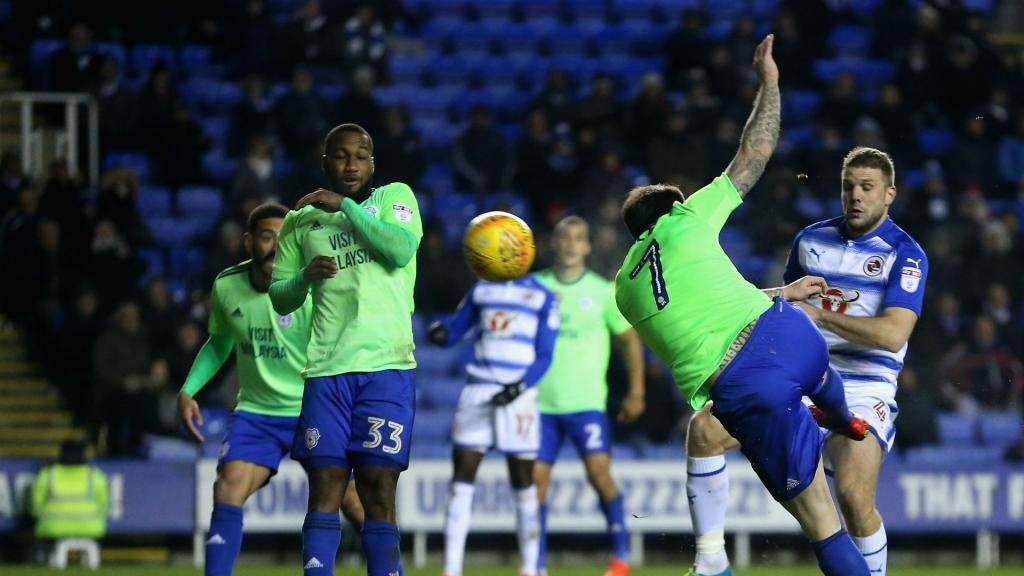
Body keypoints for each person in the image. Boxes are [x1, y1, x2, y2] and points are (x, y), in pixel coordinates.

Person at [613, 35, 870, 576]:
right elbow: (755, 151)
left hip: (750, 382)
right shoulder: (687, 217)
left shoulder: (624, 289)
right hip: (788, 334)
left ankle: (711, 562)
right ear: (673, 207)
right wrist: (770, 83)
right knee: (705, 431)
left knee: (822, 521)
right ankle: (844, 416)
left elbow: (697, 314)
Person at [682, 146, 929, 576]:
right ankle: (710, 560)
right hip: (798, 373)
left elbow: (893, 334)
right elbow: (780, 314)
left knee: (854, 497)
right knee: (704, 429)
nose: (855, 195)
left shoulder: (905, 254)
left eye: (867, 188)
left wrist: (819, 315)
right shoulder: (810, 240)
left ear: (890, 194)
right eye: (848, 186)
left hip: (863, 385)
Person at [177, 203, 363, 576]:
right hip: (257, 413)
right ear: (249, 242)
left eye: (285, 239)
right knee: (227, 487)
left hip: (314, 408)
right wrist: (188, 390)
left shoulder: (311, 290)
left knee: (355, 504)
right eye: (266, 238)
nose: (276, 247)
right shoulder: (227, 285)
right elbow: (219, 343)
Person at [269, 123, 422, 576]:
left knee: (378, 488)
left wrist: (347, 208)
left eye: (360, 156)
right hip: (327, 371)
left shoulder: (396, 198)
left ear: (372, 163)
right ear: (325, 163)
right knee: (326, 487)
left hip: (387, 368)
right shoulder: (300, 222)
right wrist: (303, 279)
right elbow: (280, 297)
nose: (350, 164)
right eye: (340, 156)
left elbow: (399, 250)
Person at [532, 216, 646, 576]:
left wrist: (636, 391)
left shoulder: (601, 292)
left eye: (578, 238)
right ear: (554, 243)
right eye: (564, 237)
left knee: (600, 475)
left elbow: (629, 339)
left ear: (587, 247)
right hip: (539, 406)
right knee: (535, 485)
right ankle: (535, 563)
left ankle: (620, 557)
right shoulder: (533, 288)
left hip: (586, 405)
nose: (570, 244)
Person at [426, 274, 559, 576]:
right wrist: (441, 333)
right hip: (479, 390)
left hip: (519, 396)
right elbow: (456, 327)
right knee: (461, 479)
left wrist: (520, 385)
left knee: (524, 483)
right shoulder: (482, 288)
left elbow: (546, 353)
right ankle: (451, 569)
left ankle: (529, 568)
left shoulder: (542, 295)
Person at [31, 440, 108, 569]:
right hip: (90, 527)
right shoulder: (96, 475)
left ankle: (46, 558)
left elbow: (35, 507)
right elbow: (105, 506)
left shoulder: (47, 475)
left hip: (53, 528)